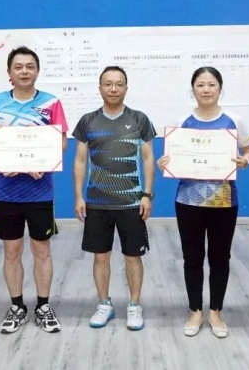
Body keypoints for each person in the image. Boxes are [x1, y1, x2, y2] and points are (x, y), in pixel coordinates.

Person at [156, 67, 249, 338]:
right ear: (193, 89)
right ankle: (195, 311)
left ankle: (216, 312)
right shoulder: (183, 120)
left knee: (220, 257)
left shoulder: (234, 119)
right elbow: (173, 155)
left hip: (224, 200)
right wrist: (165, 162)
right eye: (200, 85)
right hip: (188, 200)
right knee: (192, 257)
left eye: (212, 84)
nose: (206, 89)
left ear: (220, 88)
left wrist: (245, 160)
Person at [0, 46, 68, 334]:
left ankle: (43, 306)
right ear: (9, 72)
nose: (24, 71)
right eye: (18, 67)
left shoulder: (51, 102)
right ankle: (17, 306)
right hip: (6, 192)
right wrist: (0, 161)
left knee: (42, 250)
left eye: (30, 66)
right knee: (11, 251)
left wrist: (45, 162)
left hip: (41, 193)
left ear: (37, 71)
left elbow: (61, 142)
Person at [73, 66, 156, 331]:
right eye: (108, 84)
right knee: (101, 257)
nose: (113, 88)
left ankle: (134, 305)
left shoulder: (139, 119)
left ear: (126, 88)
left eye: (119, 84)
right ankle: (104, 304)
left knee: (133, 257)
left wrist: (147, 195)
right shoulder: (88, 121)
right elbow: (80, 160)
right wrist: (79, 196)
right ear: (100, 88)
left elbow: (148, 158)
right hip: (97, 202)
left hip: (131, 202)